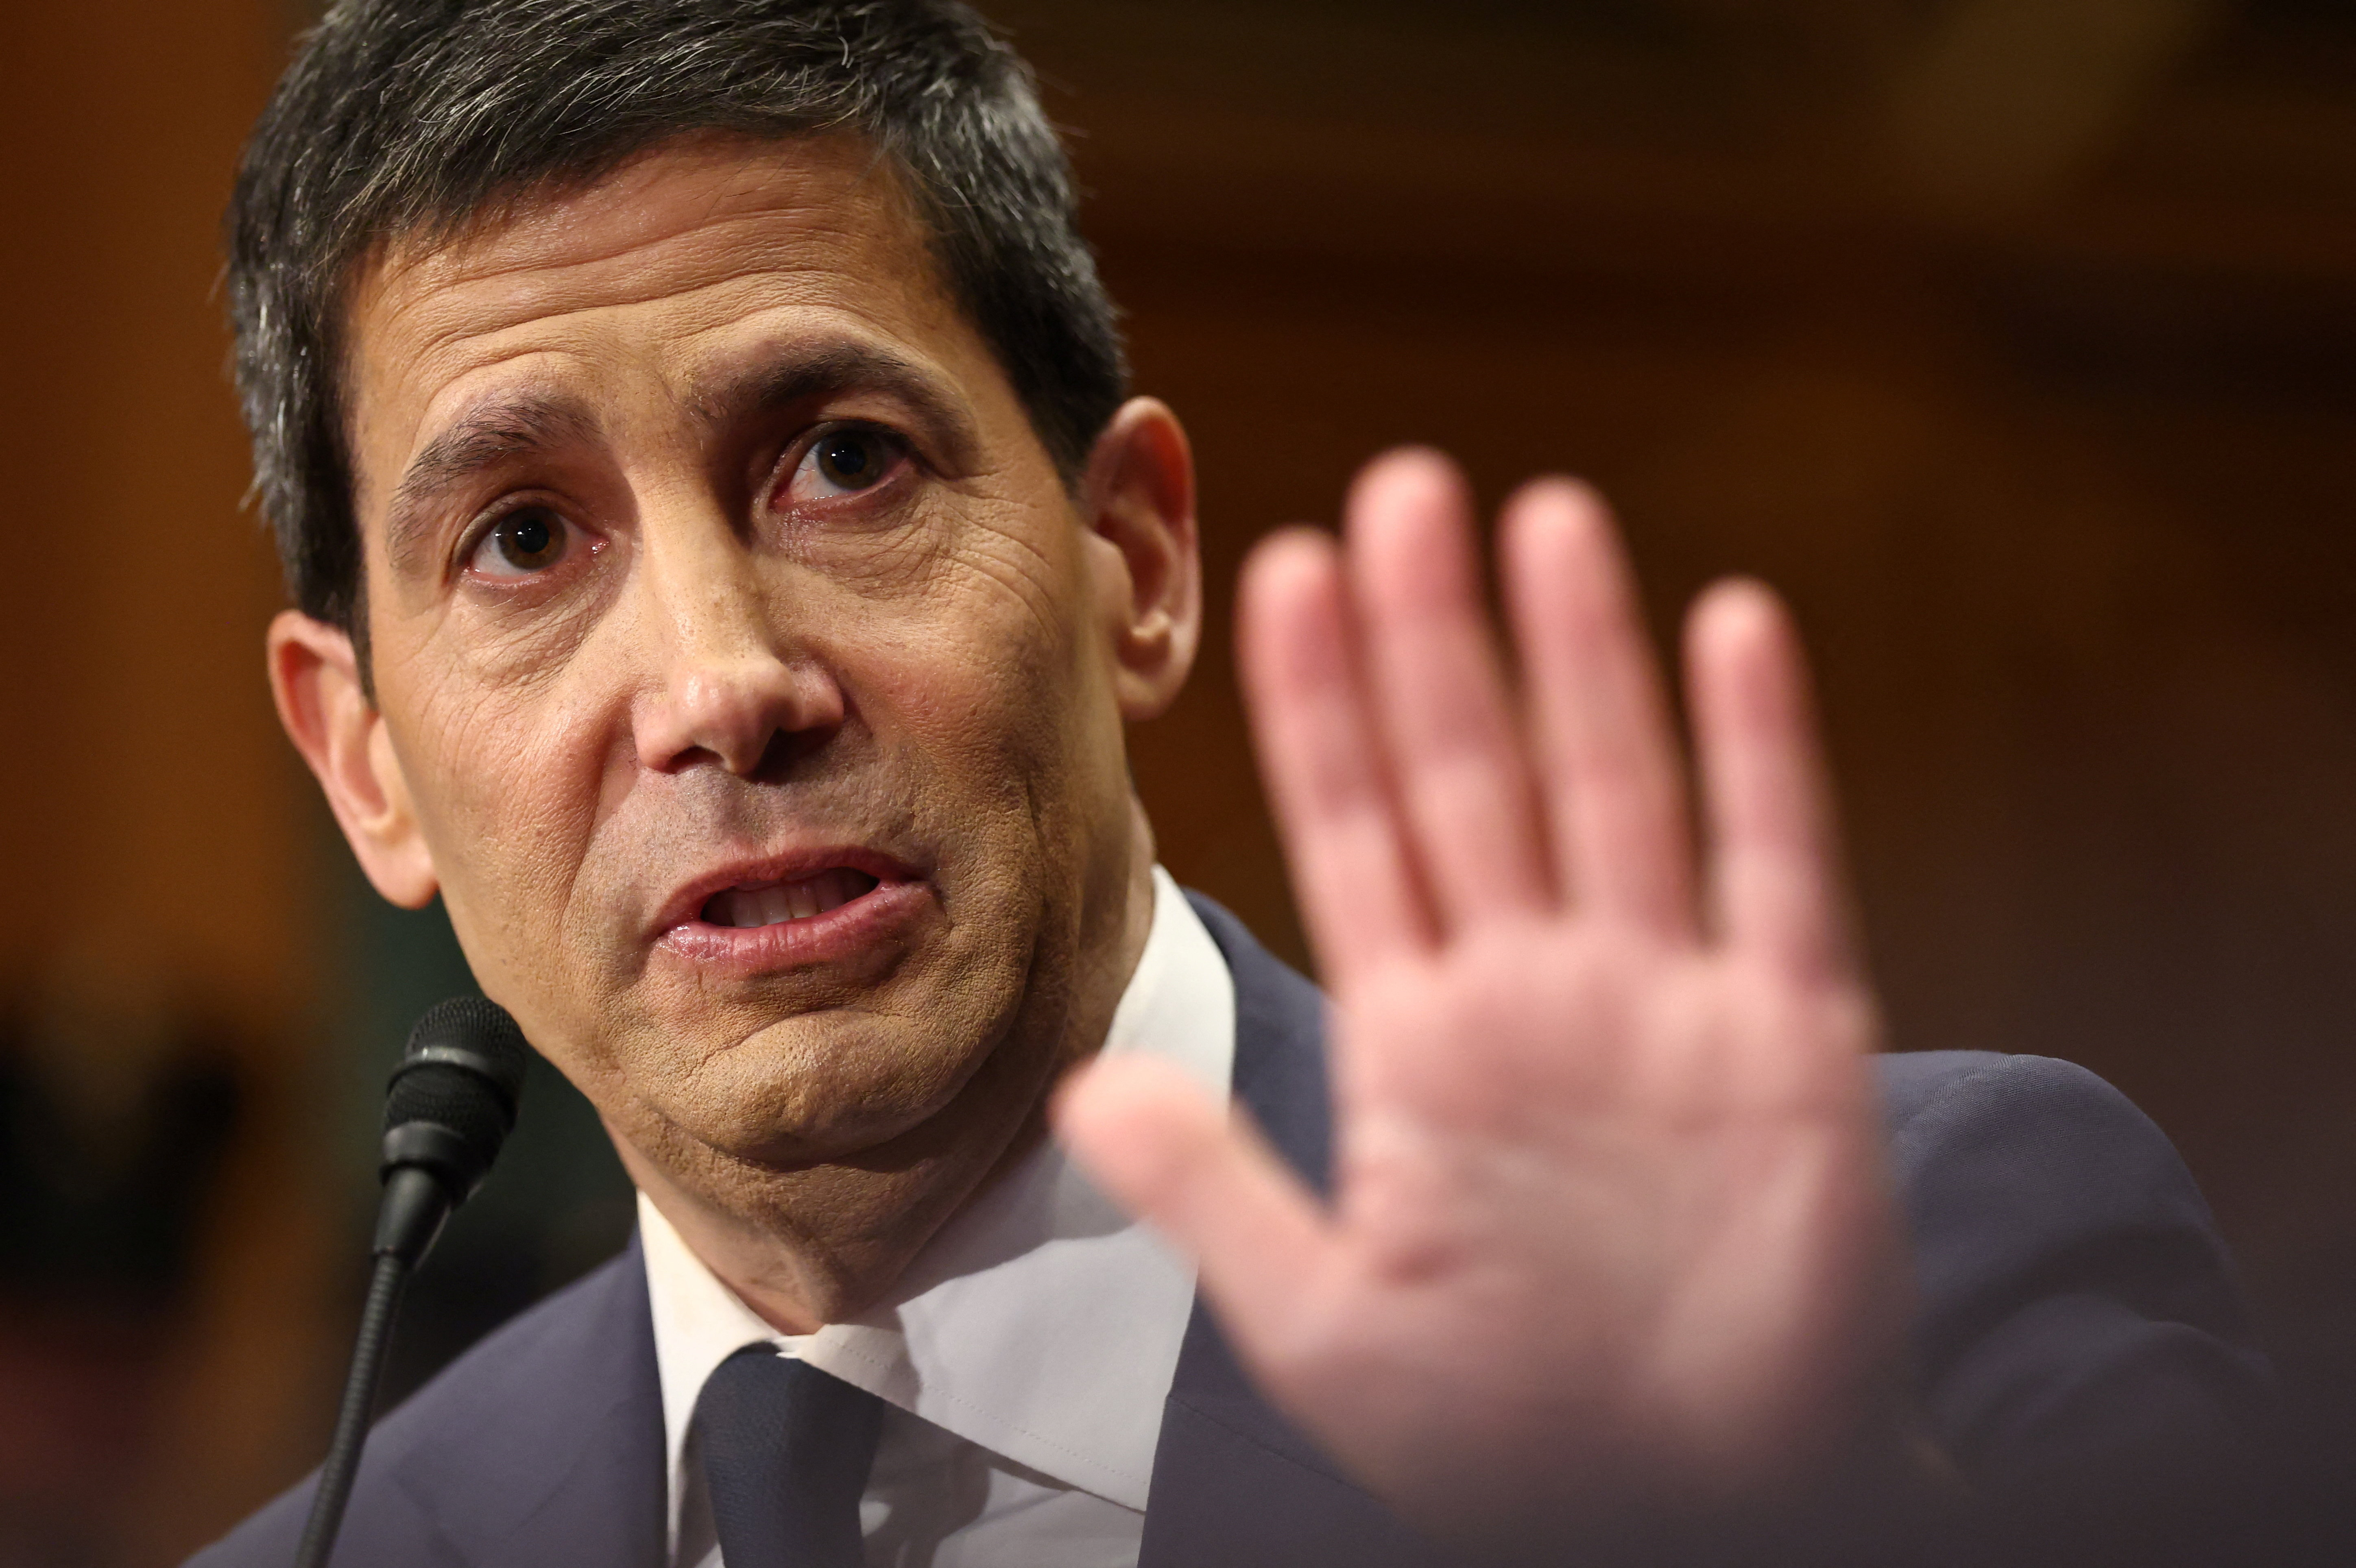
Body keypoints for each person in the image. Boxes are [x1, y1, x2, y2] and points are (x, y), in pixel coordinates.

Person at [191, 2, 2268, 1564]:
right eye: (526, 542)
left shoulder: (1919, 1283)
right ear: (364, 761)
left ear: (1134, 562)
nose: (723, 685)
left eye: (842, 461)